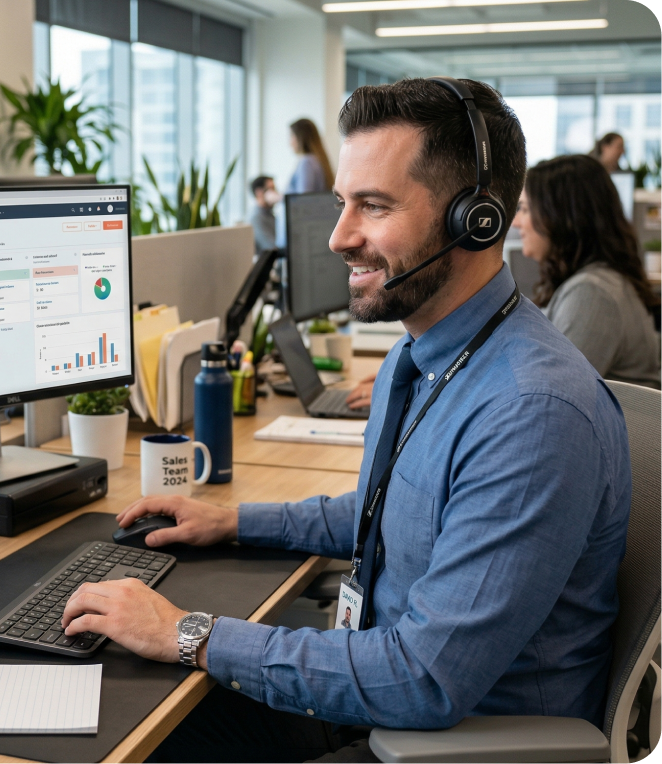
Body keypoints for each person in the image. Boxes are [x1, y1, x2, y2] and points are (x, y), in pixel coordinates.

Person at [61, 79, 631, 764]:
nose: (339, 237)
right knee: (117, 726)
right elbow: (389, 512)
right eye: (341, 204)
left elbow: (423, 678)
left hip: (453, 744)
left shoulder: (533, 413)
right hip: (375, 705)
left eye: (374, 206)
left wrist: (190, 633)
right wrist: (233, 522)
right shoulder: (420, 355)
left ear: (474, 220)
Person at [513, 154, 662, 389]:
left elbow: (552, 393)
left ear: (560, 216)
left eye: (525, 209)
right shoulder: (596, 282)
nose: (516, 222)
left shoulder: (593, 293)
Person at [287, 118, 335, 194]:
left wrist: (275, 197)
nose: (290, 142)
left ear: (300, 137)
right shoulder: (319, 160)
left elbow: (303, 198)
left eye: (292, 136)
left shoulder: (306, 162)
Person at [250, 175, 278, 256]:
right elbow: (271, 247)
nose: (274, 193)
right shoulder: (256, 218)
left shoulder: (269, 214)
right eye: (271, 189)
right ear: (259, 192)